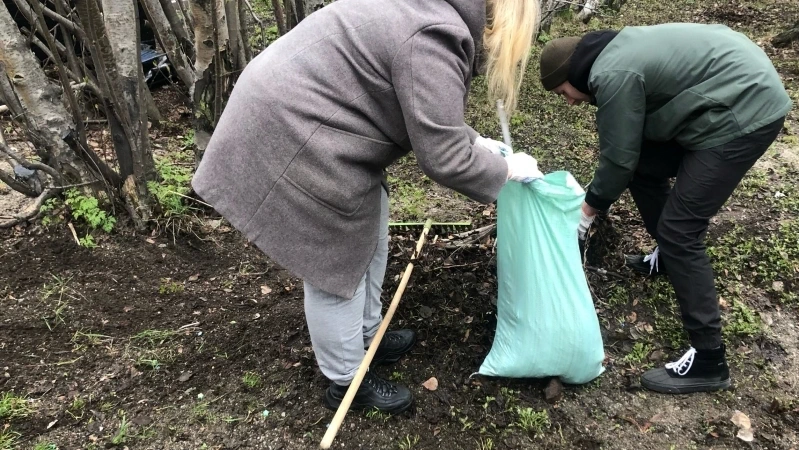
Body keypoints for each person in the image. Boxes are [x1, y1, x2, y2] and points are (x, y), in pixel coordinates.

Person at [192, 0, 544, 414]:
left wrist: (477, 143)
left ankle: (366, 335)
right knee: (336, 260)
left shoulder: (427, 13)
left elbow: (425, 108)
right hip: (297, 129)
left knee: (370, 223)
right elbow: (444, 157)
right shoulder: (435, 34)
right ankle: (346, 380)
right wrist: (503, 172)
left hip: (313, 120)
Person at [538, 23, 792, 394]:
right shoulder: (614, 54)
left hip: (744, 108)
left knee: (680, 230)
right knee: (644, 170)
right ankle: (668, 256)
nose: (570, 101)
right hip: (726, 89)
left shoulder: (612, 74)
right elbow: (630, 154)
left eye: (564, 92)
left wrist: (586, 214)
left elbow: (617, 160)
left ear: (573, 74)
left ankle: (708, 360)